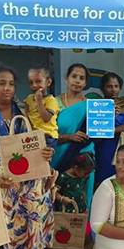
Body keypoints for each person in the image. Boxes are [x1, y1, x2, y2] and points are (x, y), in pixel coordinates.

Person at [0, 63, 57, 249]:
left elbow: (44, 137)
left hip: (31, 196)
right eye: (1, 83)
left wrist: (46, 152)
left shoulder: (27, 111)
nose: (7, 88)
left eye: (11, 84)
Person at [52, 63, 95, 213]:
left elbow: (100, 133)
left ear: (86, 83)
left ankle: (83, 232)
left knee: (84, 194)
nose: (77, 80)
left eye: (81, 78)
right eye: (74, 76)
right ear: (66, 79)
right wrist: (69, 137)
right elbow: (47, 134)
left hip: (85, 155)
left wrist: (110, 117)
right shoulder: (54, 103)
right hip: (59, 153)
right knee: (56, 192)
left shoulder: (92, 106)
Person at [94, 72, 124, 183]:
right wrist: (117, 129)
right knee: (105, 180)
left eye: (116, 86)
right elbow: (96, 134)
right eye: (109, 86)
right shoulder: (97, 106)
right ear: (102, 89)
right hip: (105, 147)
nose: (113, 90)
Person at [24, 64, 60, 149]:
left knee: (42, 160)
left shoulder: (51, 100)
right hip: (33, 135)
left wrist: (39, 101)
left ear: (48, 82)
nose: (34, 85)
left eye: (38, 81)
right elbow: (25, 113)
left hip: (47, 136)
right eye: (31, 82)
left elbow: (46, 118)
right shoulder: (29, 98)